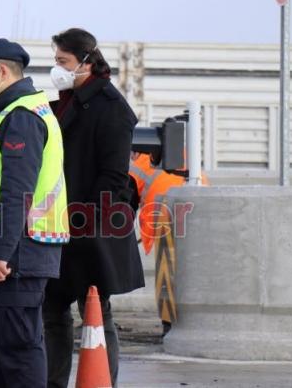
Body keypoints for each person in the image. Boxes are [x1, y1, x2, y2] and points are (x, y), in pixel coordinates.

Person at [43, 28, 144, 387]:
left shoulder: (111, 108)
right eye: (56, 61)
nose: (57, 68)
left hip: (90, 229)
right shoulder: (65, 99)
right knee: (51, 311)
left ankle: (101, 381)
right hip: (59, 225)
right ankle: (52, 382)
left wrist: (82, 221)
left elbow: (112, 177)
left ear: (86, 61)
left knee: (97, 312)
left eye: (63, 61)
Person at [0, 39, 69, 388]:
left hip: (17, 254)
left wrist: (0, 252)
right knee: (0, 349)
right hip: (13, 252)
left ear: (3, 71)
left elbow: (17, 191)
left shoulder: (22, 117)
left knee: (18, 351)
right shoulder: (10, 114)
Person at [129, 151, 209, 334]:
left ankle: (169, 325)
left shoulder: (140, 164)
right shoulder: (185, 154)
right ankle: (195, 320)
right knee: (193, 272)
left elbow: (128, 199)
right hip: (200, 214)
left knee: (167, 273)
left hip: (167, 217)